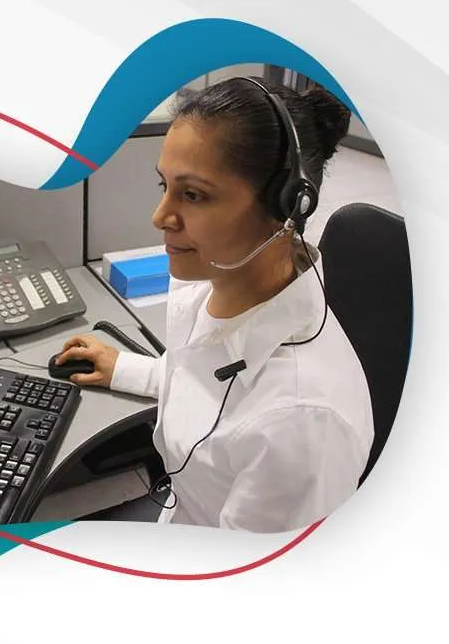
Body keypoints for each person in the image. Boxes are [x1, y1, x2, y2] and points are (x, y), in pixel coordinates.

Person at [55, 77, 374, 533]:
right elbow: (205, 376)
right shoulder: (212, 283)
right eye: (164, 185)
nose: (159, 216)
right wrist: (124, 369)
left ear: (287, 206)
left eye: (193, 195)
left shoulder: (299, 425)